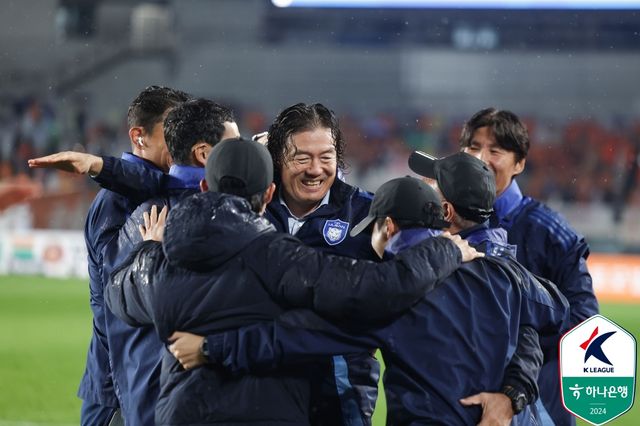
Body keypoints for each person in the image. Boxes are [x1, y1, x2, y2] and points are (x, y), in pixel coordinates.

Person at [105, 137, 478, 425]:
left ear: (205, 187)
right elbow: (375, 290)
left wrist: (147, 250)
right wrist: (444, 250)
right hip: (270, 413)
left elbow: (116, 295)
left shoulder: (158, 264)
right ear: (269, 194)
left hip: (184, 414)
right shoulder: (279, 257)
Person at [172, 156, 568, 425]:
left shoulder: (394, 300)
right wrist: (513, 391)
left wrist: (210, 348)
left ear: (389, 226)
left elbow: (294, 337)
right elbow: (555, 311)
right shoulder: (504, 275)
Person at [28, 86, 190, 426]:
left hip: (144, 375)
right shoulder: (114, 203)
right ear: (138, 136)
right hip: (117, 383)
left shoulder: (161, 189)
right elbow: (118, 296)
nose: (182, 140)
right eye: (172, 129)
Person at [458, 107, 599, 425]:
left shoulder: (548, 231)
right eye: (473, 147)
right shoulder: (447, 221)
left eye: (495, 151)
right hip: (464, 398)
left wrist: (517, 342)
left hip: (538, 399)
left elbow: (584, 320)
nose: (481, 159)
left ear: (519, 163)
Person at [102, 98, 238, 425]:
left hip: (146, 396)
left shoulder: (146, 213)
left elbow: (116, 303)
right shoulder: (215, 216)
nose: (241, 155)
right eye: (234, 147)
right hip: (174, 399)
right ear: (203, 154)